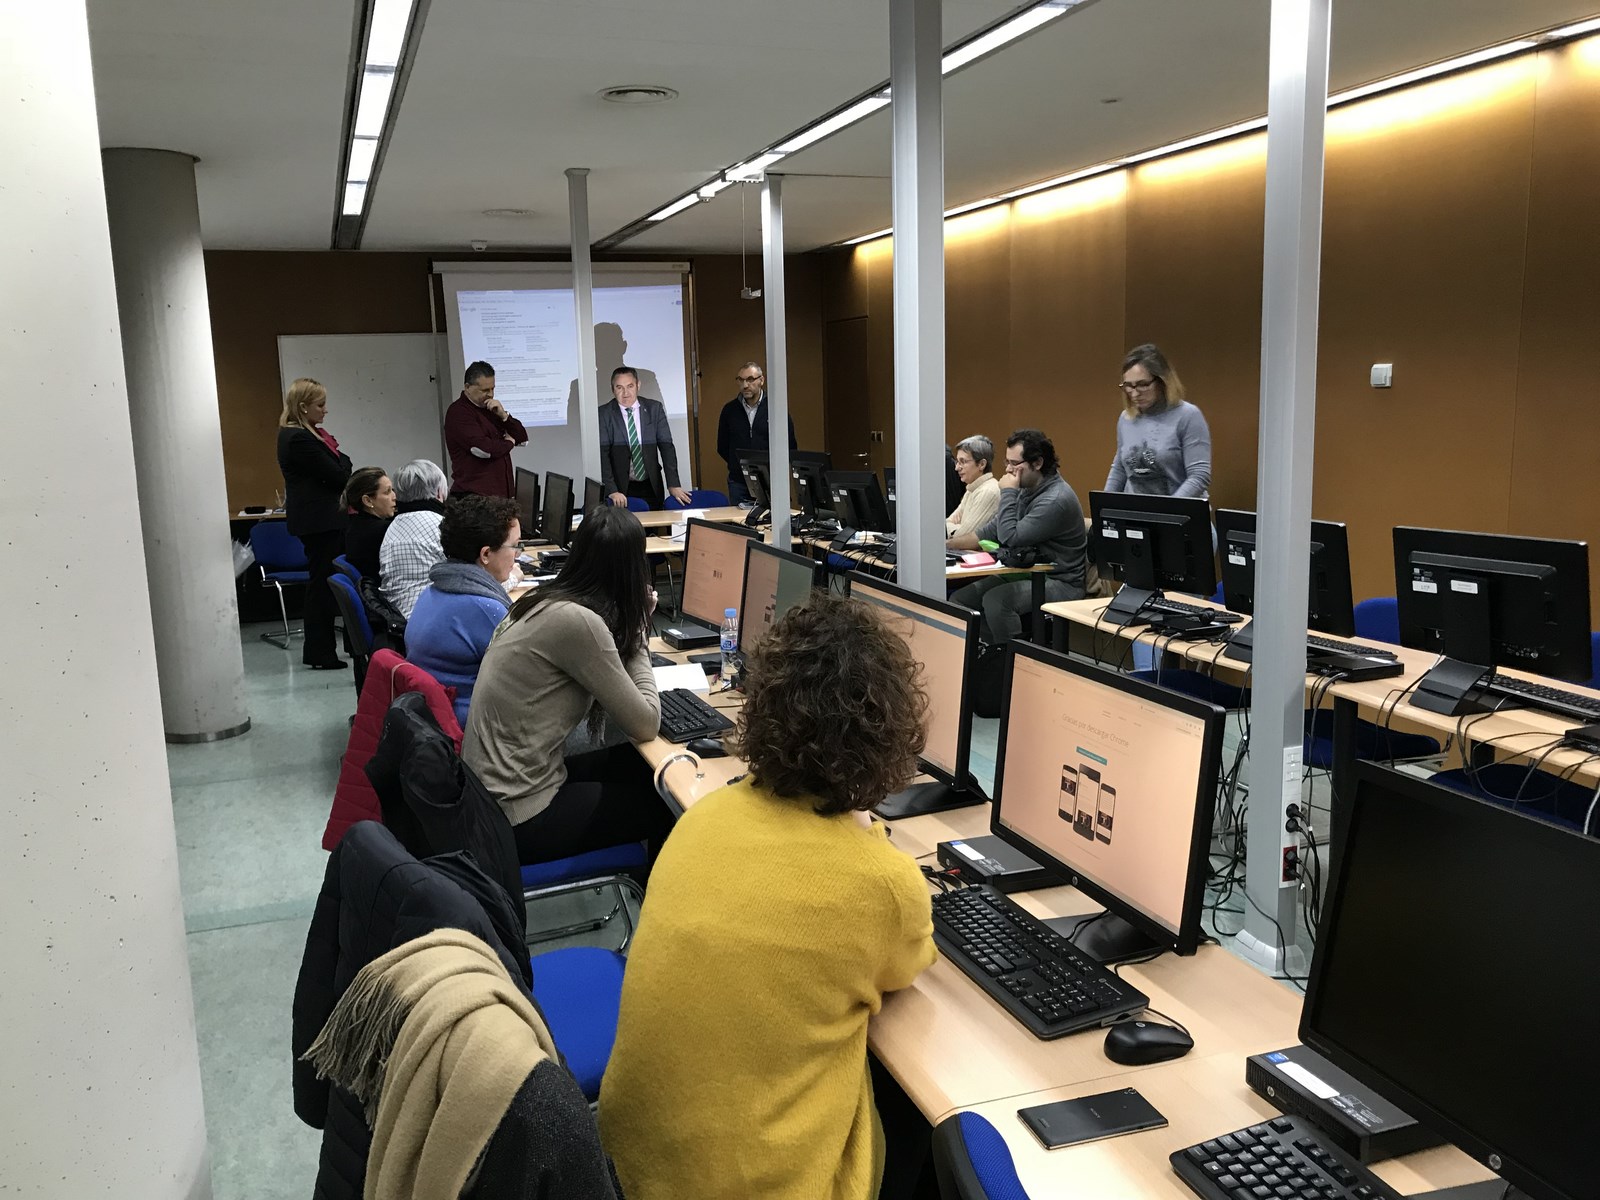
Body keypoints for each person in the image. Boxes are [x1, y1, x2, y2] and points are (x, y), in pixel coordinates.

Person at [599, 592, 937, 1200]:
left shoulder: (707, 812)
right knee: (922, 1109)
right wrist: (869, 828)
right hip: (756, 1186)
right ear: (890, 732)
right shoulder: (882, 884)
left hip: (631, 1166)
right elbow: (908, 965)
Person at [462, 505, 671, 867]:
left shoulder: (544, 600)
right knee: (666, 801)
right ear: (631, 570)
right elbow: (646, 722)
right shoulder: (577, 622)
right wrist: (638, 630)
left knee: (639, 766)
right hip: (518, 813)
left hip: (491, 794)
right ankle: (655, 906)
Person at [949, 428, 1087, 645]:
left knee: (997, 601)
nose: (1008, 471)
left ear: (1038, 463)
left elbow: (1010, 537)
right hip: (1028, 572)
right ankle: (988, 655)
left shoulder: (1055, 499)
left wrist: (1008, 493)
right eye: (1007, 463)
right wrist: (945, 546)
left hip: (1061, 581)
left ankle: (1012, 664)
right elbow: (987, 531)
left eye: (1015, 464)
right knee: (959, 600)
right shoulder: (1027, 488)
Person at [405, 495, 518, 726]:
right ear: (485, 554)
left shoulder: (434, 591)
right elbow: (528, 679)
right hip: (473, 725)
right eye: (515, 545)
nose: (517, 554)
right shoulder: (484, 607)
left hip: (433, 719)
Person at [277, 378, 353, 670]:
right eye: (320, 405)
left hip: (323, 521)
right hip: (320, 522)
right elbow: (339, 473)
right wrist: (343, 462)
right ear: (303, 406)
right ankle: (321, 652)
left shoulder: (305, 436)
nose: (325, 411)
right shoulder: (299, 439)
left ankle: (330, 648)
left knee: (327, 584)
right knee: (322, 587)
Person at [1105, 343, 1212, 498]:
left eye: (1142, 385)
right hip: (1139, 515)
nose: (1134, 394)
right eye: (1128, 386)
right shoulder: (1126, 419)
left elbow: (1199, 476)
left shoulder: (1188, 415)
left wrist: (1166, 511)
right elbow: (1119, 469)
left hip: (1180, 515)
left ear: (1162, 381)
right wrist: (1104, 505)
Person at [598, 366, 691, 510]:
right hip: (620, 488)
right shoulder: (604, 413)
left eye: (630, 386)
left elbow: (667, 447)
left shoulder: (654, 409)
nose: (625, 393)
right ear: (613, 389)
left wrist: (673, 484)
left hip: (651, 484)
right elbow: (602, 455)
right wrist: (612, 490)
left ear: (638, 386)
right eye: (619, 387)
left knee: (653, 530)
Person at [714, 362, 795, 505]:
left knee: (771, 524)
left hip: (771, 481)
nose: (745, 385)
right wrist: (738, 464)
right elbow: (722, 446)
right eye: (741, 380)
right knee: (740, 525)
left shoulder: (776, 408)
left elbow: (789, 445)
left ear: (761, 380)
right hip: (739, 481)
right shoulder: (730, 410)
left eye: (750, 379)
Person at [444, 361, 528, 499]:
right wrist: (509, 443)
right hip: (475, 497)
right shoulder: (458, 412)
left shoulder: (491, 408)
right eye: (485, 390)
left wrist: (504, 416)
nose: (490, 394)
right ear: (467, 387)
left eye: (492, 389)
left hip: (500, 496)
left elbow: (522, 438)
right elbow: (483, 450)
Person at [380, 459, 450, 620]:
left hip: (400, 616)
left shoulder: (393, 525)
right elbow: (472, 580)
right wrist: (513, 577)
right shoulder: (441, 526)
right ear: (439, 492)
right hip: (429, 619)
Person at [340, 467, 395, 582]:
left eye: (392, 490)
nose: (394, 497)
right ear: (368, 501)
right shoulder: (383, 530)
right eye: (387, 492)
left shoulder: (354, 525)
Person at [945, 435, 1001, 541]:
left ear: (981, 464)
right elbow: (945, 525)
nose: (957, 468)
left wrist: (955, 528)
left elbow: (964, 537)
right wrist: (956, 528)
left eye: (963, 462)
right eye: (957, 462)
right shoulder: (973, 488)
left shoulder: (988, 491)